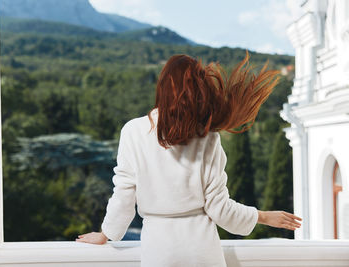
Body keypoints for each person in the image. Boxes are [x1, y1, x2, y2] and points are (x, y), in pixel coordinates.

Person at [75, 51, 302, 266]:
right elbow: (219, 209)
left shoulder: (133, 131)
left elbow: (124, 194)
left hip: (159, 252)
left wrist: (107, 234)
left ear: (162, 87)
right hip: (203, 252)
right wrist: (264, 216)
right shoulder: (208, 137)